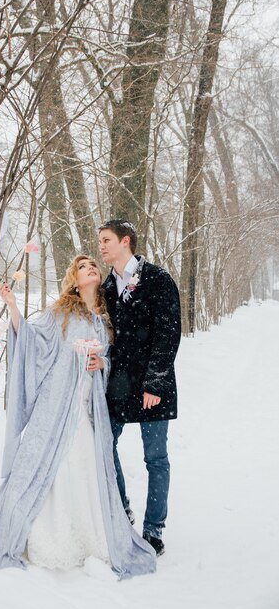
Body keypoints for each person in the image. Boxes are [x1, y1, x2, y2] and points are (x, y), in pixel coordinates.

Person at [0, 255, 156, 578]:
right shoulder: (60, 314)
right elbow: (31, 342)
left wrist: (102, 364)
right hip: (54, 410)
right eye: (82, 267)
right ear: (74, 281)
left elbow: (112, 360)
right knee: (47, 470)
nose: (91, 268)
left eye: (93, 264)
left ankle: (88, 540)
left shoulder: (104, 320)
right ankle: (45, 537)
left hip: (86, 415)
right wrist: (12, 306)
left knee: (87, 473)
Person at [99, 220, 181, 557]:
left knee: (156, 458)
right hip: (118, 384)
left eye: (106, 240)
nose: (101, 246)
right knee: (105, 445)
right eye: (100, 241)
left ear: (125, 241)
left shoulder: (158, 279)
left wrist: (156, 382)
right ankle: (122, 510)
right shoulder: (106, 288)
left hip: (152, 386)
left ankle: (153, 529)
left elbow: (168, 333)